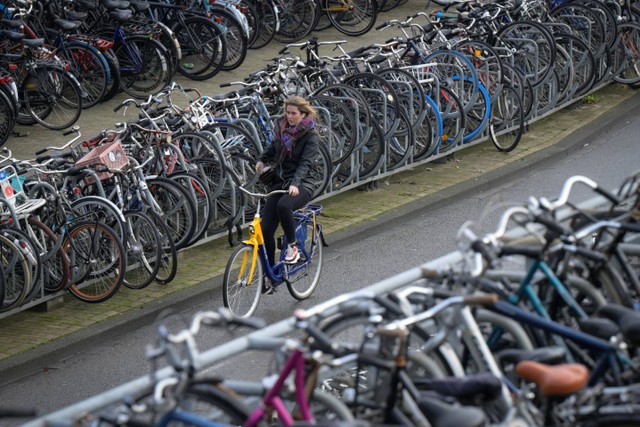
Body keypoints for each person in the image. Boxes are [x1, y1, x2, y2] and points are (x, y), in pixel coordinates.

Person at [255, 96, 320, 292]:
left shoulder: (311, 136)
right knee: (265, 229)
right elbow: (272, 148)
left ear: (303, 114)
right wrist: (261, 160)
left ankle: (293, 247)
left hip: (304, 183)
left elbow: (306, 164)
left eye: (293, 113)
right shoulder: (282, 129)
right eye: (288, 113)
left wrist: (295, 184)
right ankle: (271, 276)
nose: (289, 116)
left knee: (284, 205)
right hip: (283, 182)